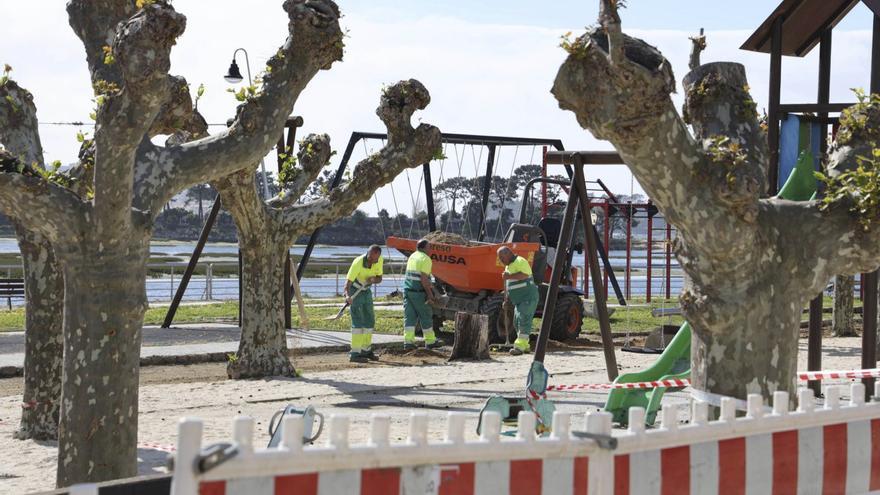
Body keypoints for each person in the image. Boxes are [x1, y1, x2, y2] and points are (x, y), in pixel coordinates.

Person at [344, 245, 383, 363]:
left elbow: (380, 278)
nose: (371, 261)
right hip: (354, 290)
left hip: (366, 290)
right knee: (358, 322)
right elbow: (347, 283)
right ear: (368, 253)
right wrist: (347, 296)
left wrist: (373, 280)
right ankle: (355, 353)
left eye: (374, 259)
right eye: (370, 258)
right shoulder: (358, 262)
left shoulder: (380, 260)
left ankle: (366, 350)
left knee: (369, 320)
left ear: (378, 256)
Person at [497, 246, 539, 356]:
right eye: (499, 258)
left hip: (528, 297)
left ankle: (519, 347)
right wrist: (506, 300)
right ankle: (525, 346)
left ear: (509, 253)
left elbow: (524, 275)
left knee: (523, 319)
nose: (501, 260)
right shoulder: (508, 267)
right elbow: (508, 285)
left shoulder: (520, 261)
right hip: (518, 300)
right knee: (516, 322)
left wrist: (508, 276)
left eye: (502, 257)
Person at [403, 239, 441, 350]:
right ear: (423, 248)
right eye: (429, 247)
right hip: (419, 293)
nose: (430, 249)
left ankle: (408, 343)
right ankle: (430, 342)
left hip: (408, 290)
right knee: (426, 316)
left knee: (409, 317)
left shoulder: (412, 256)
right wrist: (430, 294)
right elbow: (424, 279)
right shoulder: (426, 259)